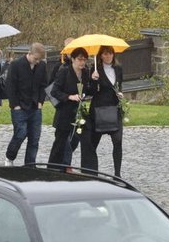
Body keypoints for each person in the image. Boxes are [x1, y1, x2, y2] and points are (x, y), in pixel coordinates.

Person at [81, 45, 125, 177]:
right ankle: (90, 171)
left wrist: (120, 94)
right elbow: (90, 92)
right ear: (100, 56)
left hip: (114, 109)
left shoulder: (118, 69)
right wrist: (93, 80)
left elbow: (119, 85)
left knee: (117, 141)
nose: (108, 56)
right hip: (99, 109)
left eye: (110, 53)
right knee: (93, 142)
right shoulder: (95, 70)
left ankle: (117, 173)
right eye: (105, 54)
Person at [3, 42, 48, 166]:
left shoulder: (42, 66)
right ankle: (10, 157)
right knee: (20, 133)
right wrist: (15, 105)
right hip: (19, 107)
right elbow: (10, 86)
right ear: (29, 53)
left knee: (34, 138)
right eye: (35, 59)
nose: (37, 61)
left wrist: (40, 102)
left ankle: (30, 164)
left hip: (35, 107)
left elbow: (44, 85)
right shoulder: (16, 65)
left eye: (39, 59)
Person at [49, 47, 90, 167]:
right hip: (65, 111)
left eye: (84, 60)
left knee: (75, 139)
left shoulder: (86, 72)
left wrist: (86, 93)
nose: (82, 62)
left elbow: (86, 89)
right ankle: (54, 167)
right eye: (80, 59)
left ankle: (64, 164)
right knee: (60, 141)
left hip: (78, 112)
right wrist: (69, 97)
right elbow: (54, 91)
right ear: (73, 59)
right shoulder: (64, 71)